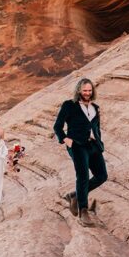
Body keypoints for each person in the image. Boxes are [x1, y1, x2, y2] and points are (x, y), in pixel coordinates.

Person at [53, 78, 107, 227]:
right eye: (85, 91)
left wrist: (99, 143)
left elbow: (97, 128)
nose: (87, 93)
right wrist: (65, 139)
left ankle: (75, 195)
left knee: (102, 176)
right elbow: (57, 126)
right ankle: (83, 211)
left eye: (90, 91)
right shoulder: (69, 105)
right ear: (79, 91)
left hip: (93, 145)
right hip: (76, 145)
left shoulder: (95, 108)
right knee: (82, 175)